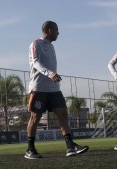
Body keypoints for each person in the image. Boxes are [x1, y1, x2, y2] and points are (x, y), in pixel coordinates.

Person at [25, 21, 89, 159]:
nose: (58, 33)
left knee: (63, 115)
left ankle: (70, 146)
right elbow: (35, 62)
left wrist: (53, 76)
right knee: (35, 117)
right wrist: (50, 73)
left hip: (53, 89)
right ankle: (30, 149)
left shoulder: (51, 46)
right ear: (49, 30)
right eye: (56, 30)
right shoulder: (36, 43)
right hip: (39, 88)